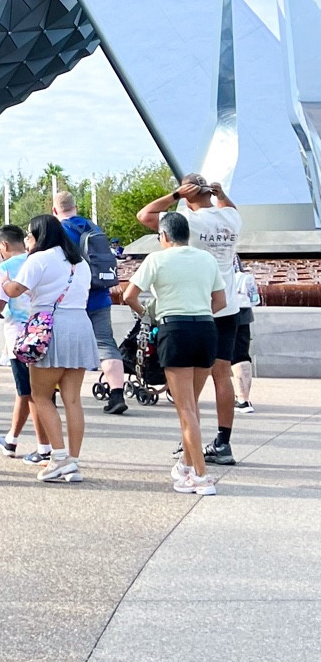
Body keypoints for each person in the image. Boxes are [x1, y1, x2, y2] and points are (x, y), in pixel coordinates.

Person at [137, 175, 243, 467]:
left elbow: (145, 215)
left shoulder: (187, 222)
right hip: (227, 305)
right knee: (222, 374)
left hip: (194, 307)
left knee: (187, 383)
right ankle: (223, 440)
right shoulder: (230, 217)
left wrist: (174, 194)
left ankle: (190, 440)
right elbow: (232, 212)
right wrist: (221, 197)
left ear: (187, 194)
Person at [123, 211, 226, 495]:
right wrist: (199, 313)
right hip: (206, 329)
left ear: (164, 236)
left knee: (186, 408)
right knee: (192, 404)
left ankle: (201, 476)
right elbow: (220, 300)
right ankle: (185, 464)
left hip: (174, 330)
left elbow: (128, 295)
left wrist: (150, 316)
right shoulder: (207, 259)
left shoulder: (157, 259)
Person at [0, 213, 98, 483]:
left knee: (40, 395)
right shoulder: (81, 263)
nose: (28, 241)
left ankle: (57, 457)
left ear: (40, 236)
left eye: (30, 235)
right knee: (73, 400)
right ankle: (73, 461)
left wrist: (5, 280)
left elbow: (14, 290)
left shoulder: (38, 259)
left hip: (49, 328)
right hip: (79, 326)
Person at [53, 189, 126, 415]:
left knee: (60, 345)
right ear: (75, 207)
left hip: (71, 299)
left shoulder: (59, 231)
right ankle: (117, 394)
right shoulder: (93, 228)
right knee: (105, 343)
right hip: (100, 296)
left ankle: (52, 394)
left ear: (55, 210)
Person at [0, 223, 45, 461]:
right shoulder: (39, 262)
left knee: (32, 393)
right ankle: (11, 439)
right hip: (43, 332)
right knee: (26, 391)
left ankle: (45, 447)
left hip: (18, 338)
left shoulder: (5, 267)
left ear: (4, 245)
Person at [235, 269, 260, 410]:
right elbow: (255, 299)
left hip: (216, 312)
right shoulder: (246, 277)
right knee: (240, 356)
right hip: (242, 314)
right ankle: (243, 399)